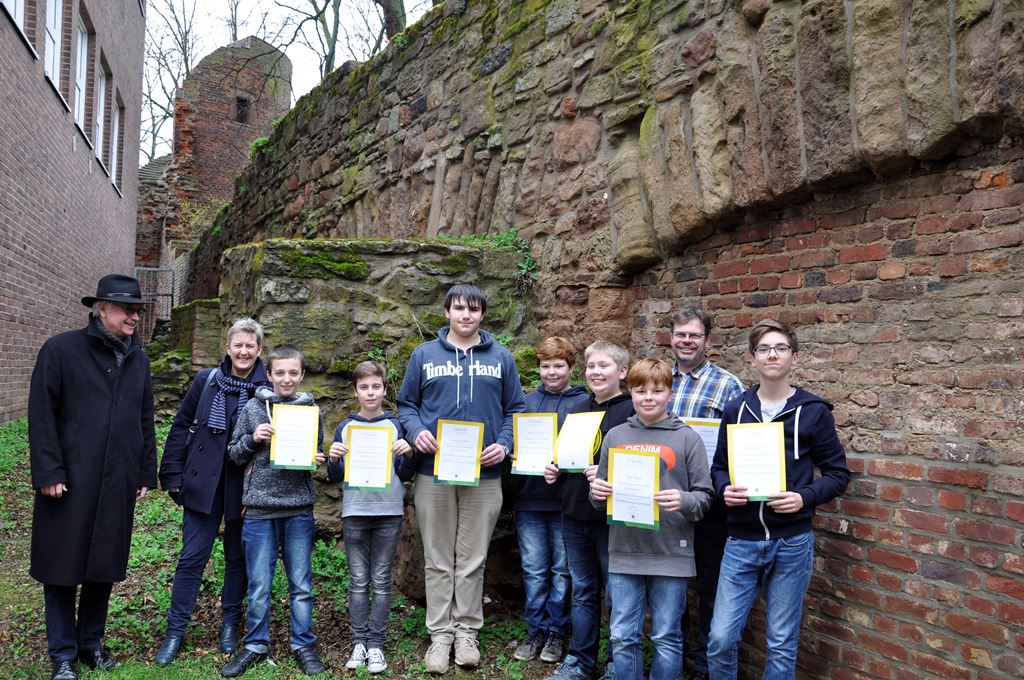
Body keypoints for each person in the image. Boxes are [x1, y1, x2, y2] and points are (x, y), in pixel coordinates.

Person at [28, 274, 157, 680]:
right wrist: (48, 470)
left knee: (103, 565)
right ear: (102, 309)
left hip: (118, 478)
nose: (134, 316)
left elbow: (144, 419)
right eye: (126, 309)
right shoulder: (61, 350)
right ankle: (63, 654)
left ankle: (90, 646)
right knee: (62, 567)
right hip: (69, 480)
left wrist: (142, 472)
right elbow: (42, 414)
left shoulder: (139, 359)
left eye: (138, 310)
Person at [707, 319, 850, 679]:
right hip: (741, 540)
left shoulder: (814, 411)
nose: (773, 354)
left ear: (795, 358)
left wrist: (803, 498)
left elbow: (838, 475)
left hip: (792, 542)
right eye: (764, 349)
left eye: (781, 348)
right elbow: (719, 467)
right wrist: (725, 489)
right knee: (721, 638)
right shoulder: (736, 409)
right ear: (753, 359)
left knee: (781, 641)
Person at [397, 283, 526, 673]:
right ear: (447, 312)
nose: (465, 315)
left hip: (484, 474)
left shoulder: (501, 358)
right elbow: (406, 404)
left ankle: (467, 632)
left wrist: (504, 445)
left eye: (473, 309)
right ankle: (440, 636)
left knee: (472, 558)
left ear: (482, 314)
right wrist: (416, 430)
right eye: (458, 308)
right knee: (438, 557)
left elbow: (514, 410)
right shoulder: (425, 355)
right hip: (433, 471)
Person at [155, 318, 271, 666]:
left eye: (250, 345)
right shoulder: (206, 382)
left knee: (237, 558)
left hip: (245, 485)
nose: (244, 351)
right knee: (192, 558)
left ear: (259, 350)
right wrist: (172, 472)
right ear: (227, 347)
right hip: (203, 481)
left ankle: (230, 625)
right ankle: (175, 631)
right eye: (238, 344)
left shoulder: (267, 389)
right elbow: (180, 425)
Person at [590, 358, 713, 680]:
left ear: (669, 393)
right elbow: (599, 498)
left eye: (657, 391)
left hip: (671, 553)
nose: (648, 397)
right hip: (625, 550)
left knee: (667, 637)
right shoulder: (615, 436)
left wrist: (683, 499)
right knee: (622, 635)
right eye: (640, 390)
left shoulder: (688, 438)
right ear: (630, 392)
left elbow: (705, 497)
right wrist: (597, 492)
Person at [222, 345, 326, 677]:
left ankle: (303, 644)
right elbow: (235, 454)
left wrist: (317, 458)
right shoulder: (254, 408)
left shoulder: (312, 411)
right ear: (269, 374)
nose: (286, 378)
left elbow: (315, 453)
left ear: (302, 375)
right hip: (259, 508)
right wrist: (253, 438)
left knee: (301, 583)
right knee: (259, 583)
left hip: (298, 508)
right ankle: (255, 644)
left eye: (293, 372)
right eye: (279, 372)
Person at [543, 340, 635, 680]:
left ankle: (615, 664)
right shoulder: (578, 409)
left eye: (604, 366)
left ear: (622, 372)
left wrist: (611, 473)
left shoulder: (632, 411)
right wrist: (554, 468)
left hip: (611, 520)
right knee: (582, 591)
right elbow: (567, 457)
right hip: (573, 514)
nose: (596, 372)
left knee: (616, 594)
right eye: (591, 366)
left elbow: (643, 467)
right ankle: (580, 660)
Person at [666, 307, 743, 680]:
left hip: (710, 502)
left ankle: (704, 668)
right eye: (681, 334)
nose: (686, 340)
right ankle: (672, 664)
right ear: (671, 338)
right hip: (666, 502)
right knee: (672, 591)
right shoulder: (659, 380)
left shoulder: (728, 385)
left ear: (707, 341)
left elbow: (737, 445)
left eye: (694, 335)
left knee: (710, 589)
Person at [326, 360, 417, 674]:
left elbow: (404, 474)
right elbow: (337, 475)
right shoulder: (346, 427)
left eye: (375, 386)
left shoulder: (395, 426)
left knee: (380, 581)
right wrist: (335, 460)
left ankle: (376, 644)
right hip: (355, 513)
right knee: (357, 581)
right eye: (364, 387)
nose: (370, 392)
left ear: (384, 389)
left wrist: (407, 454)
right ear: (356, 391)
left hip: (389, 512)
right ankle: (359, 642)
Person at [513, 337, 589, 664]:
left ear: (571, 368)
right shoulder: (525, 404)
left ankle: (557, 631)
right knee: (533, 569)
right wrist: (513, 451)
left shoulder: (584, 404)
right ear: (539, 368)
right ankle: (536, 630)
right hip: (529, 500)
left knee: (561, 570)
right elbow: (509, 439)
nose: (552, 372)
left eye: (559, 365)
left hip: (565, 503)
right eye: (546, 366)